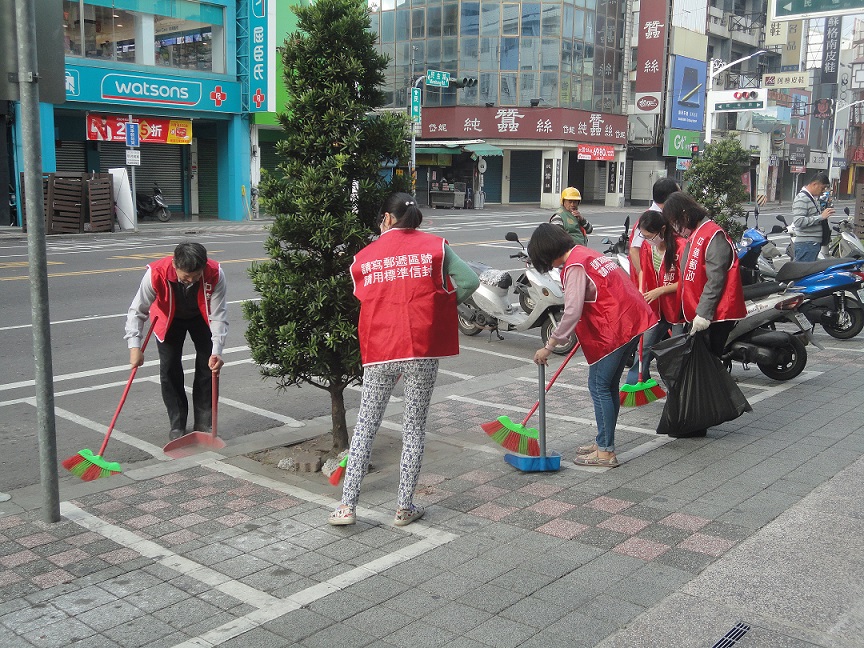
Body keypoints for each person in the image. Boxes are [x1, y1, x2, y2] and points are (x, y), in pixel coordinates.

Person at [329, 193, 479, 526]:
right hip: (421, 348)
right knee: (413, 428)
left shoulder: (366, 257)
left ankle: (346, 507)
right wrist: (439, 308)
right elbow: (470, 281)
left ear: (387, 218)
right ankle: (404, 507)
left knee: (366, 426)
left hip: (380, 347)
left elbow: (363, 296)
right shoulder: (436, 247)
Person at [529, 223, 655, 468]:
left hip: (616, 328)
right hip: (631, 320)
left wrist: (551, 344)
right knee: (607, 386)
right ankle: (603, 442)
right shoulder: (586, 254)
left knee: (599, 386)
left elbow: (573, 310)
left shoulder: (574, 265)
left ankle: (606, 451)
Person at [125, 243, 227, 441]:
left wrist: (217, 351)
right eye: (185, 277)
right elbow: (137, 311)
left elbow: (219, 315)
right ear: (174, 264)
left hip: (202, 317)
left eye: (196, 276)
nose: (190, 281)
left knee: (209, 368)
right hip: (167, 318)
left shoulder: (215, 273)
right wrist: (134, 347)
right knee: (170, 368)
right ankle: (177, 425)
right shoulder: (155, 273)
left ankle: (204, 424)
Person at [662, 192, 746, 359]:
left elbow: (716, 279)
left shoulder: (713, 235)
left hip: (716, 315)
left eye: (675, 221)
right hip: (701, 311)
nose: (675, 227)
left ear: (685, 215)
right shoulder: (696, 234)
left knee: (708, 365)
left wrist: (703, 314)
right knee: (703, 365)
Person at [623, 209, 686, 387]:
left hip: (676, 308)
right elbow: (644, 271)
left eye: (650, 235)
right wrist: (642, 292)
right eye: (644, 236)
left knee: (675, 352)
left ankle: (676, 388)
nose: (648, 240)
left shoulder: (681, 247)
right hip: (655, 308)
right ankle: (637, 382)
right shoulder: (648, 248)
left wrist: (660, 291)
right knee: (644, 347)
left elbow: (687, 282)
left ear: (663, 229)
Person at [628, 177, 680, 282]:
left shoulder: (668, 215)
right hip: (652, 279)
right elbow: (634, 250)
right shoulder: (648, 220)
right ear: (669, 198)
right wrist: (643, 278)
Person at [791, 172, 834, 262]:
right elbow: (799, 221)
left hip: (811, 243)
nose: (823, 191)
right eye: (822, 188)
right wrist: (821, 217)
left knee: (807, 272)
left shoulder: (812, 198)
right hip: (806, 244)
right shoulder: (802, 198)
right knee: (804, 273)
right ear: (814, 184)